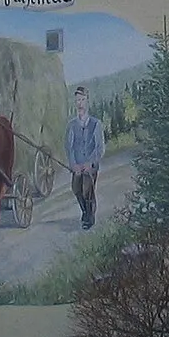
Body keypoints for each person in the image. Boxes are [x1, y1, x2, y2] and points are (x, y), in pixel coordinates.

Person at [66, 85, 105, 231]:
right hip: (77, 165)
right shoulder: (72, 125)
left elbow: (100, 147)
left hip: (90, 165)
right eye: (77, 100)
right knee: (76, 189)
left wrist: (90, 162)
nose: (80, 103)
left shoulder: (96, 124)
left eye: (82, 100)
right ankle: (84, 211)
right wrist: (73, 164)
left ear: (87, 101)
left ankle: (90, 216)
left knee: (87, 189)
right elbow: (69, 147)